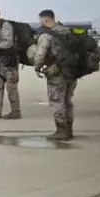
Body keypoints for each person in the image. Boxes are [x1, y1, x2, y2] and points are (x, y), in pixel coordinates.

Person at [34, 9, 77, 141]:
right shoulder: (67, 31)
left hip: (57, 73)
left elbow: (40, 54)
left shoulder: (46, 35)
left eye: (40, 20)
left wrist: (37, 66)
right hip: (72, 72)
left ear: (45, 20)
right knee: (67, 101)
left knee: (57, 101)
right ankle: (69, 129)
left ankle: (61, 130)